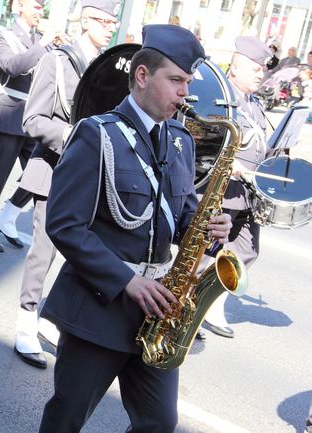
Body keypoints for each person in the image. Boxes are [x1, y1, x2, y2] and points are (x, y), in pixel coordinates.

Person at [37, 24, 232, 433]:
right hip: (99, 306)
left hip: (158, 311)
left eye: (187, 82)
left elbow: (181, 220)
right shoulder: (97, 134)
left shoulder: (181, 139)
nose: (185, 92)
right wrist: (127, 281)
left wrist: (210, 226)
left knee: (159, 423)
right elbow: (64, 225)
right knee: (67, 418)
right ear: (142, 76)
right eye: (175, 80)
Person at [13, 0, 120, 369]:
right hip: (55, 169)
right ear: (86, 20)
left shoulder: (110, 69)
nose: (109, 27)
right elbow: (33, 120)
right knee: (43, 253)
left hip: (92, 177)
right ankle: (26, 322)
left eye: (113, 21)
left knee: (79, 254)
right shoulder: (57, 61)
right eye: (104, 20)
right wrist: (73, 134)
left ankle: (50, 316)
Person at [200, 36, 272, 339]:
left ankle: (211, 302)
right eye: (255, 67)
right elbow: (205, 141)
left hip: (248, 195)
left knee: (247, 250)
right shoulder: (221, 96)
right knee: (207, 253)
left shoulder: (255, 104)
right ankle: (192, 307)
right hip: (224, 189)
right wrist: (231, 166)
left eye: (262, 69)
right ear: (237, 64)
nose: (261, 73)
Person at [0, 0, 59, 252]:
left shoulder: (39, 38)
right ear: (20, 6)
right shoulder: (6, 35)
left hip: (36, 117)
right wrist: (43, 44)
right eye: (35, 6)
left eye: (41, 7)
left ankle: (9, 214)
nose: (40, 11)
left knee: (40, 173)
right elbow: (13, 66)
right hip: (11, 112)